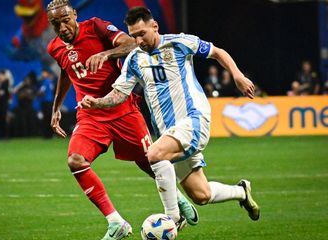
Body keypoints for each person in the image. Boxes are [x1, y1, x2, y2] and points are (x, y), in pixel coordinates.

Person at [79, 6, 260, 227]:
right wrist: (97, 103)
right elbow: (119, 94)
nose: (138, 41)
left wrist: (237, 75)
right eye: (133, 36)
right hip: (169, 132)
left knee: (153, 154)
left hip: (194, 119)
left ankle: (172, 218)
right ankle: (241, 192)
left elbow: (217, 52)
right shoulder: (135, 59)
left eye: (141, 34)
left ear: (154, 26)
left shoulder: (179, 43)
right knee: (201, 195)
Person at [46, 1, 197, 239]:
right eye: (56, 23)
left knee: (149, 160)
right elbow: (67, 70)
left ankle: (178, 199)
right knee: (76, 161)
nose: (62, 27)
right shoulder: (54, 47)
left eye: (66, 20)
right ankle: (116, 223)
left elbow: (130, 44)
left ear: (75, 15)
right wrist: (56, 107)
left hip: (122, 108)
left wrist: (105, 54)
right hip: (90, 115)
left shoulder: (95, 27)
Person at [37, 69, 55, 138]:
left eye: (44, 73)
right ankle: (50, 134)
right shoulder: (50, 82)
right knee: (49, 118)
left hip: (46, 102)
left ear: (46, 73)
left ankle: (46, 134)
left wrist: (37, 94)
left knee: (46, 118)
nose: (42, 74)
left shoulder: (46, 81)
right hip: (50, 102)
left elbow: (41, 91)